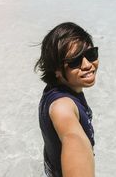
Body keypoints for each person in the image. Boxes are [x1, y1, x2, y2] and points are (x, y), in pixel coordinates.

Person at [35, 22, 99, 177]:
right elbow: (72, 136)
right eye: (75, 61)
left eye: (91, 54)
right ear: (56, 69)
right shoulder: (62, 107)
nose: (87, 65)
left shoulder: (53, 89)